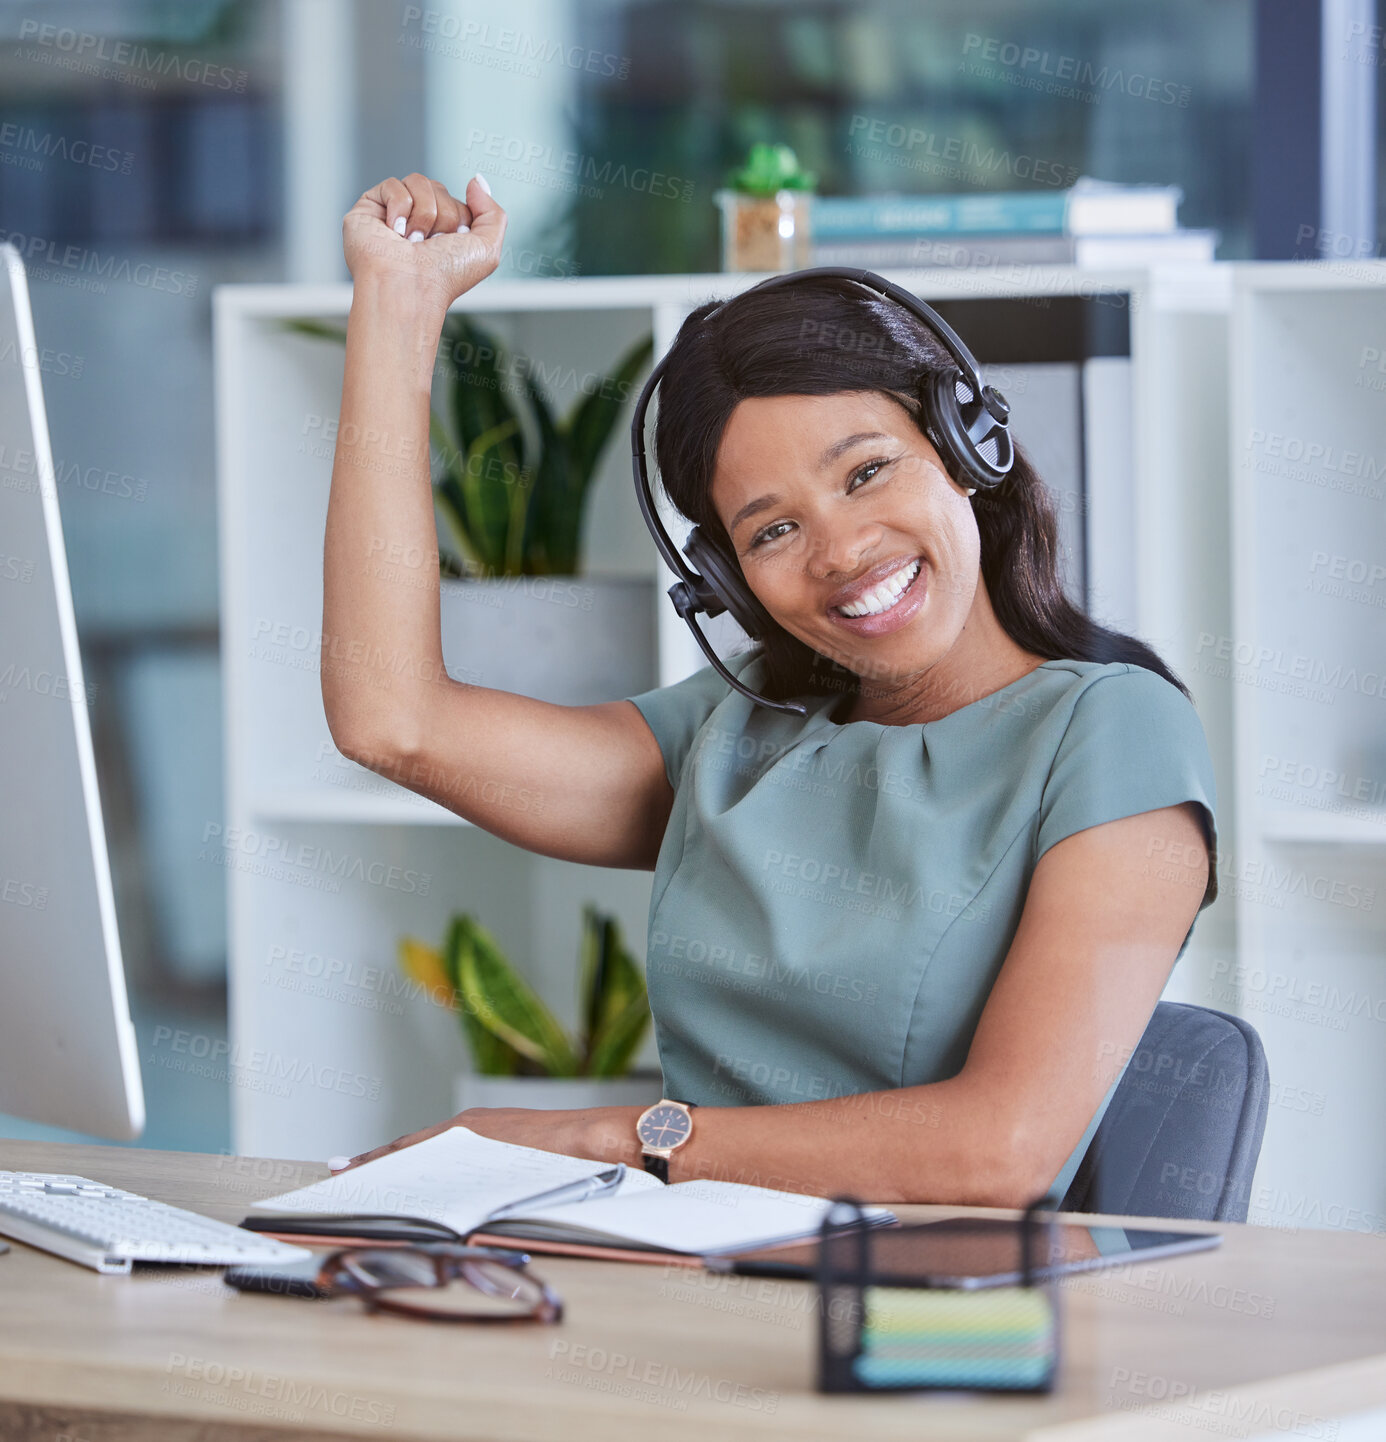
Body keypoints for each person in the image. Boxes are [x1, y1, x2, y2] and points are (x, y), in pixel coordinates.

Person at [322, 171, 1216, 1207]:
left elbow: (999, 1151)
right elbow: (391, 719)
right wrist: (397, 307)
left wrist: (604, 1135)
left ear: (967, 447)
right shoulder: (736, 728)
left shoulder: (1115, 731)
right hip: (673, 1274)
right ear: (726, 582)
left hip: (914, 1322)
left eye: (867, 470)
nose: (840, 550)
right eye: (773, 530)